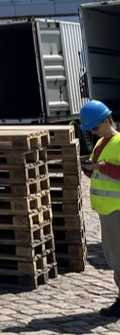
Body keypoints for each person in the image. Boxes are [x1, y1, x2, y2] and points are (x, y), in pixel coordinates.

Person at [81, 100, 120, 317]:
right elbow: (99, 173)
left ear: (106, 121)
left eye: (95, 128)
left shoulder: (119, 142)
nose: (93, 132)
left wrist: (101, 167)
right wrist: (89, 169)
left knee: (118, 256)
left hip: (117, 209)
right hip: (106, 209)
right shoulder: (100, 144)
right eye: (91, 130)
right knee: (113, 255)